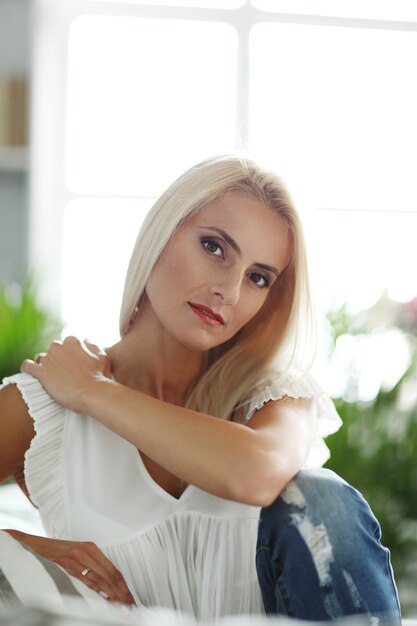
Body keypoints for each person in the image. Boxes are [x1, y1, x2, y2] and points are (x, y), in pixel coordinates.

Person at [0, 155, 401, 622]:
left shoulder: (276, 398)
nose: (229, 291)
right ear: (162, 232)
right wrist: (16, 544)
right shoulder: (44, 407)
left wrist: (94, 390)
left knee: (321, 494)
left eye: (258, 277)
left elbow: (255, 473)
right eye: (214, 247)